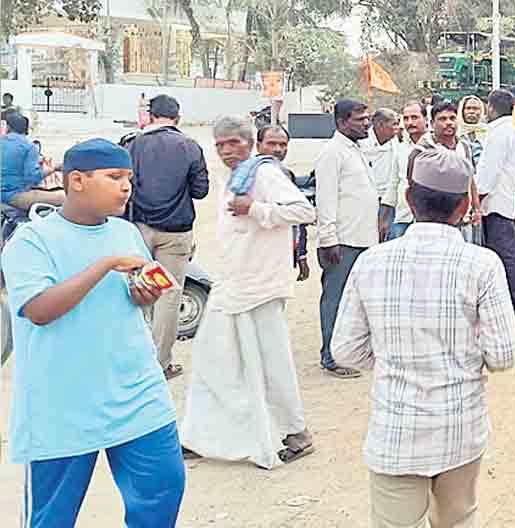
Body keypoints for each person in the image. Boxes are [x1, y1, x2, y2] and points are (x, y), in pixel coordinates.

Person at [332, 144, 515, 528]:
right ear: (464, 207)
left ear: (409, 199)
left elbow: (346, 350)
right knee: (459, 518)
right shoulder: (482, 265)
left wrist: (393, 355)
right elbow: (503, 356)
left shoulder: (371, 262)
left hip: (395, 432)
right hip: (460, 429)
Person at [4, 138, 184, 527]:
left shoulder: (126, 232)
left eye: (129, 178)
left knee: (163, 491)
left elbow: (131, 296)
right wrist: (103, 265)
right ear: (77, 181)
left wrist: (143, 294)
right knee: (51, 517)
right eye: (114, 177)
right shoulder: (32, 241)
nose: (126, 187)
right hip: (62, 405)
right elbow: (38, 310)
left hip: (136, 393)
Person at [181, 116, 316, 469]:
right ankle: (201, 436)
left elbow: (304, 211)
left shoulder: (263, 173)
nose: (227, 150)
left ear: (250, 143)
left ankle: (296, 433)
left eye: (234, 143)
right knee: (214, 359)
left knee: (272, 363)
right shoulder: (234, 178)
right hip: (233, 284)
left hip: (261, 287)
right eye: (220, 145)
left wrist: (255, 209)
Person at [126, 93, 210, 381]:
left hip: (140, 231)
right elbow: (200, 190)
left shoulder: (132, 145)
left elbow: (123, 185)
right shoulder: (190, 147)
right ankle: (160, 363)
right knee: (168, 295)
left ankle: (136, 358)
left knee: (140, 290)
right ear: (178, 118)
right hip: (175, 235)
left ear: (150, 116)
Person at [314, 99, 378, 379]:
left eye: (367, 118)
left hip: (364, 239)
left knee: (359, 301)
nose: (366, 123)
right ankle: (331, 357)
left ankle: (352, 350)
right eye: (360, 119)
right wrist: (328, 240)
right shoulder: (332, 153)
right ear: (341, 122)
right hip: (342, 242)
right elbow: (325, 199)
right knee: (335, 299)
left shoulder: (356, 149)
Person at [476, 90, 515, 320]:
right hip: (502, 201)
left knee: (503, 256)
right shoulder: (508, 130)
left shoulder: (500, 132)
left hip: (495, 203)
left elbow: (489, 171)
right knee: (504, 255)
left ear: (491, 107)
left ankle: (513, 305)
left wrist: (476, 198)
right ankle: (512, 304)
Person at [258, 125, 311, 281]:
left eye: (283, 144)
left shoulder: (286, 174)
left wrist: (301, 255)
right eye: (271, 144)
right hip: (259, 254)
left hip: (283, 252)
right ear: (258, 145)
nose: (278, 149)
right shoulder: (250, 175)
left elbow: (297, 221)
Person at [427, 101, 483, 245]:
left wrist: (477, 209)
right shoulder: (426, 148)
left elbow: (471, 179)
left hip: (465, 219)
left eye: (452, 118)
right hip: (438, 221)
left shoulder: (464, 146)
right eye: (442, 119)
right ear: (432, 123)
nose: (449, 123)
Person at [381, 101, 429, 241]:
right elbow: (393, 184)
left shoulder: (435, 146)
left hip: (429, 219)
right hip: (403, 218)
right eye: (406, 118)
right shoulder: (401, 149)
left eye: (414, 117)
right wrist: (384, 219)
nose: (410, 122)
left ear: (426, 119)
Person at [1, 112, 63, 210]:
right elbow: (32, 177)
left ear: (8, 127)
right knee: (65, 198)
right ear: (26, 129)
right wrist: (54, 168)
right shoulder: (29, 147)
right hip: (12, 196)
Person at [363, 109, 400, 240]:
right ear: (380, 125)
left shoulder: (396, 141)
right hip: (367, 202)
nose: (397, 128)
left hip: (389, 201)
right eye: (394, 124)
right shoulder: (362, 143)